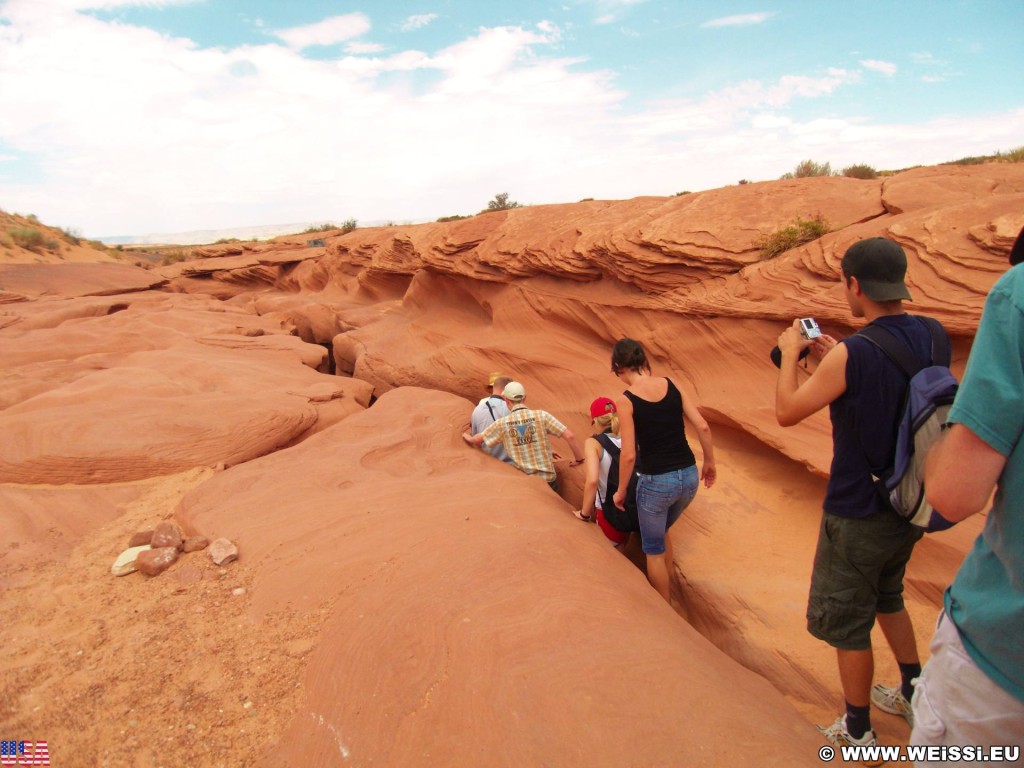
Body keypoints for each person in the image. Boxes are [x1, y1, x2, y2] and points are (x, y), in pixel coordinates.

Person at [774, 237, 952, 753]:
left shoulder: (854, 352)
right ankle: (913, 687)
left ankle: (857, 730)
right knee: (888, 591)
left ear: (854, 284)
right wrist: (835, 361)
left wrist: (791, 356)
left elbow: (787, 412)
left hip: (858, 507)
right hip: (911, 498)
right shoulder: (935, 335)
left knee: (848, 618)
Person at [908, 225, 1024, 759]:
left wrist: (937, 440)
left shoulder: (1016, 295)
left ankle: (857, 725)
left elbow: (953, 494)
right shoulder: (926, 329)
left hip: (1002, 660)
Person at [611, 339, 716, 602]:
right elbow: (702, 426)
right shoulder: (672, 383)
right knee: (661, 529)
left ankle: (666, 610)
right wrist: (710, 463)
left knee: (653, 549)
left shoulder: (626, 400)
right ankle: (667, 588)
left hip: (657, 481)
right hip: (689, 476)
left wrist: (621, 491)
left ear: (620, 368)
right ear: (643, 362)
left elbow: (629, 454)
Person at [462, 380, 585, 491]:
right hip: (549, 480)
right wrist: (579, 459)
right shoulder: (542, 415)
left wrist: (466, 435)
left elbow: (477, 440)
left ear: (506, 400)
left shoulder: (503, 423)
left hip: (526, 482)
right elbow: (569, 436)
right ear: (525, 398)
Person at [572, 397, 640, 549]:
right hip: (638, 504)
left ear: (594, 420)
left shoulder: (594, 443)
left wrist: (585, 513)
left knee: (613, 554)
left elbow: (592, 481)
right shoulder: (631, 438)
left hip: (611, 510)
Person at [471, 372, 512, 463]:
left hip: (486, 460)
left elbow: (474, 435)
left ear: (493, 388)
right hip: (509, 462)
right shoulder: (511, 407)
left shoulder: (479, 407)